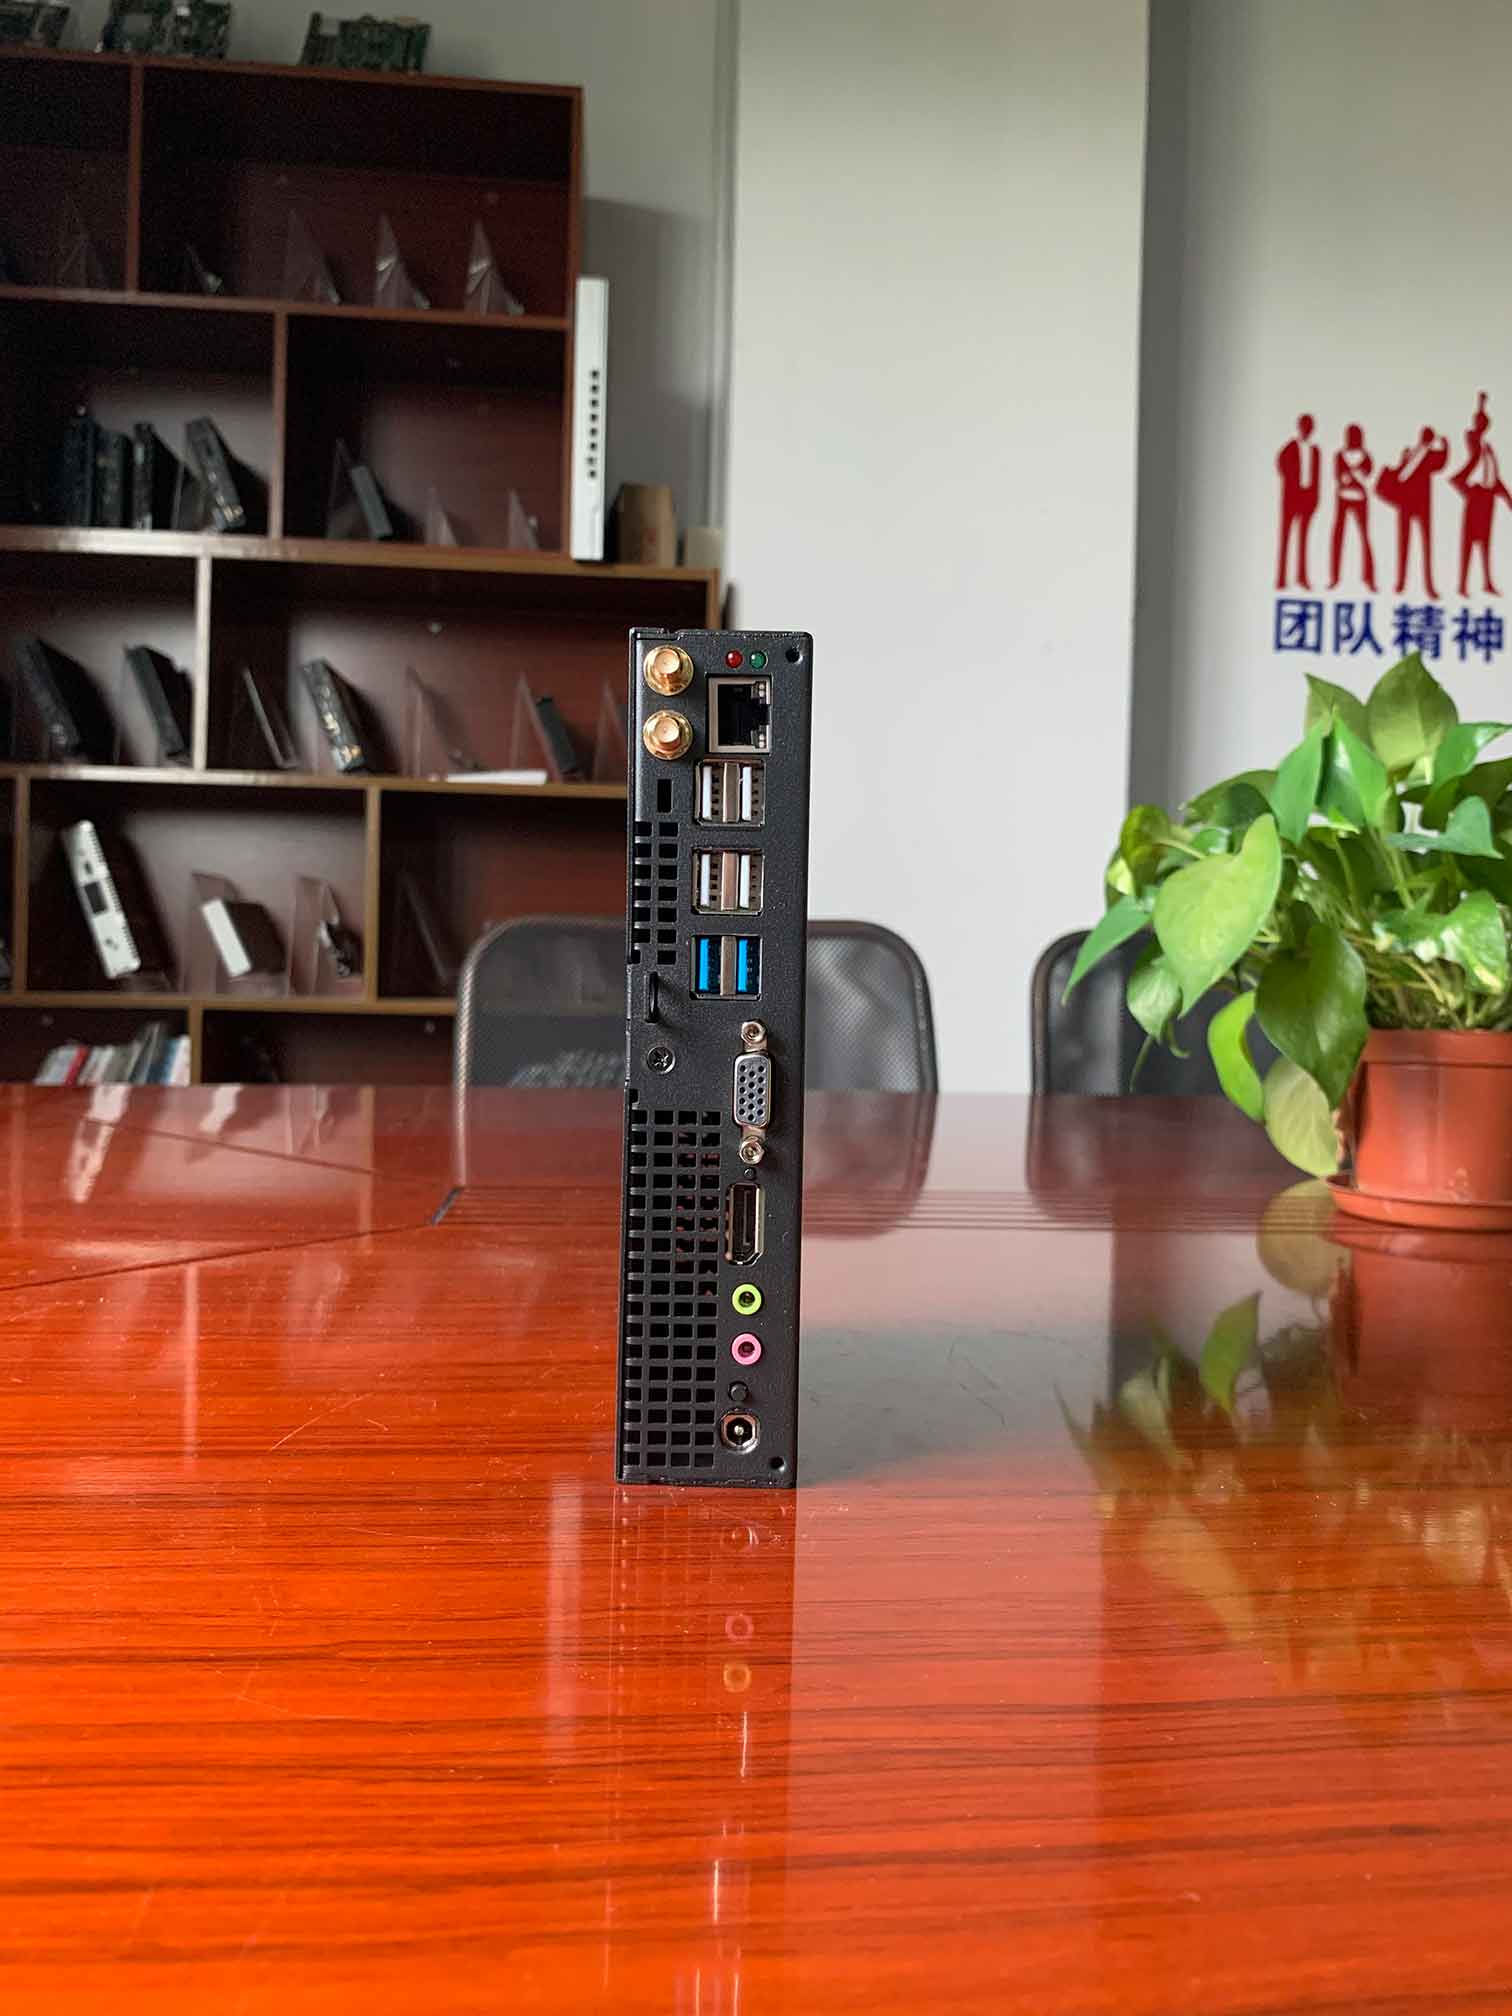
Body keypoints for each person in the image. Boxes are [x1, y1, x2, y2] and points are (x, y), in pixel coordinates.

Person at [1377, 423, 1449, 598]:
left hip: (1422, 505)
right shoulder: (1409, 453)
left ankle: (1428, 585)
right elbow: (1400, 473)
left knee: (1425, 545)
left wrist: (1445, 446)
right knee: (1404, 543)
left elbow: (1441, 463)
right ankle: (1401, 582)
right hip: (1406, 503)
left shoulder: (1429, 456)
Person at [1450, 392, 1511, 597]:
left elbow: (1494, 477)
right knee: (1468, 541)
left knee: (1485, 542)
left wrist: (1507, 497)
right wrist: (1481, 404)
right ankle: (1462, 585)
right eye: (1481, 422)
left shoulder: (1488, 448)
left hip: (1488, 499)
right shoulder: (1474, 441)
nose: (1483, 425)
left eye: (1485, 423)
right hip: (1476, 497)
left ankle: (1487, 582)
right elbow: (1472, 435)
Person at [1276, 414, 1320, 589]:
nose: (1307, 430)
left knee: (1303, 540)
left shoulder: (1315, 450)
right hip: (1291, 497)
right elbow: (1281, 465)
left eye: (1309, 427)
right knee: (1285, 538)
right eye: (1304, 426)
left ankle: (1302, 577)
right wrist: (1292, 482)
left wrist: (1315, 498)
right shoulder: (1290, 447)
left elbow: (1317, 476)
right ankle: (1281, 578)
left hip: (1307, 498)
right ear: (1299, 427)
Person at [1329, 424, 1376, 590]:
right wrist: (1352, 475)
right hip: (1343, 498)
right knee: (1338, 536)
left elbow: (1366, 477)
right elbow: (1340, 477)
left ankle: (1369, 578)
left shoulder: (1366, 456)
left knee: (1364, 536)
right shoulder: (1339, 455)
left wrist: (1353, 475)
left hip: (1360, 499)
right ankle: (1334, 577)